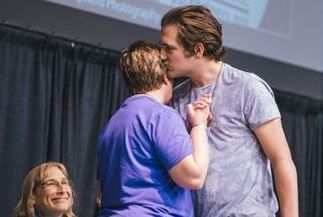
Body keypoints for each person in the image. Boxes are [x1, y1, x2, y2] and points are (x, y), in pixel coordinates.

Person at [160, 5, 298, 217]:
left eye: (169, 49)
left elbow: (281, 159)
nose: (161, 56)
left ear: (198, 50)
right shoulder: (175, 98)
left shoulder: (248, 88)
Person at [96, 40, 211, 217]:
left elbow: (100, 192)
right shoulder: (162, 116)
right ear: (165, 76)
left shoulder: (111, 125)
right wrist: (199, 125)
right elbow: (193, 177)